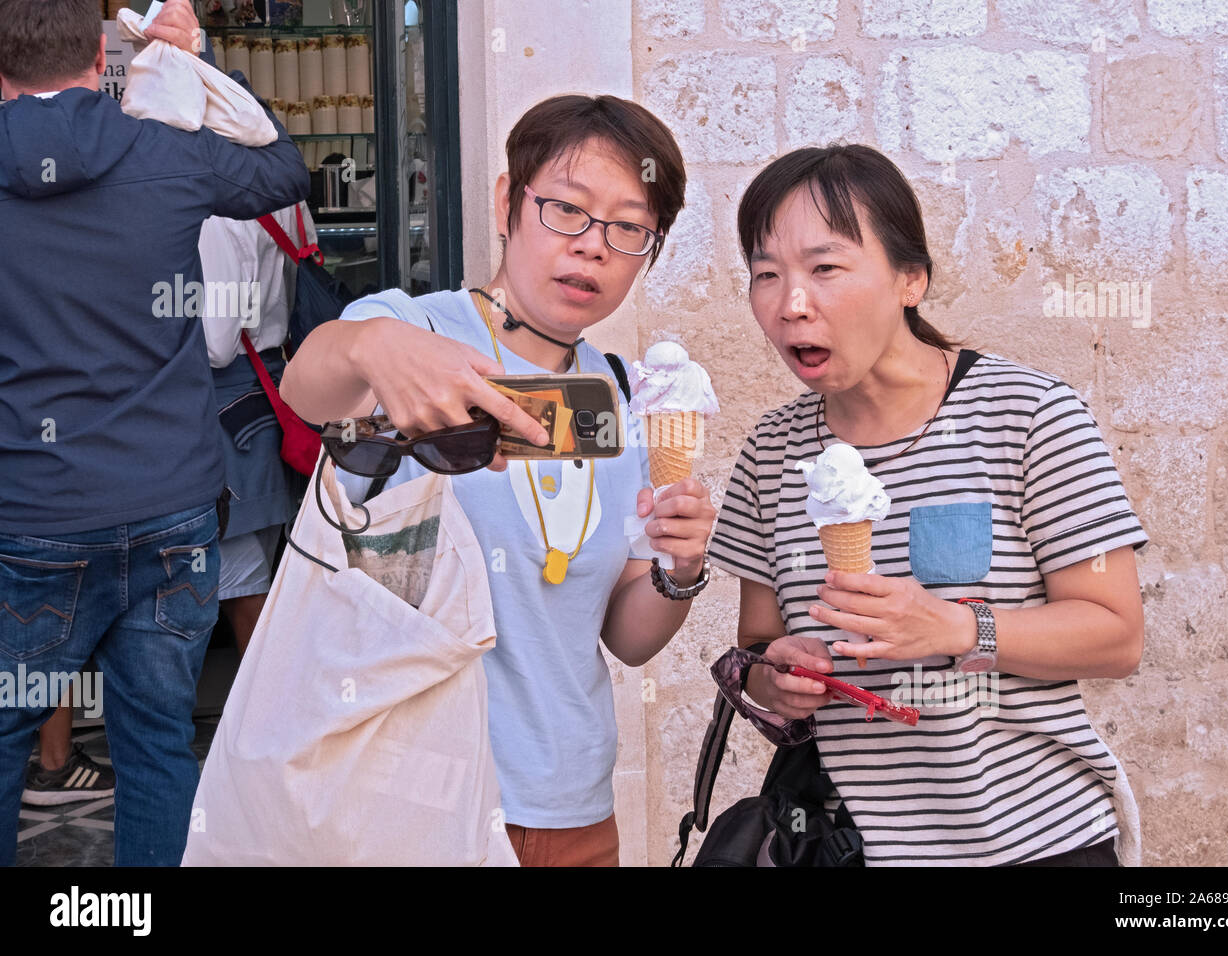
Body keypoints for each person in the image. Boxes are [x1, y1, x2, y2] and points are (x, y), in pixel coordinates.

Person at [281, 94, 715, 866]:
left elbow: (625, 636)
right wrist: (369, 345)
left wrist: (682, 569)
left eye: (628, 227)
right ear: (507, 203)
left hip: (574, 805)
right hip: (414, 801)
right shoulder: (419, 329)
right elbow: (307, 389)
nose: (592, 248)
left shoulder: (625, 395)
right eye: (567, 211)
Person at [707, 144, 1149, 866]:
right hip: (850, 850)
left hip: (1035, 844)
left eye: (825, 268)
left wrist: (949, 626)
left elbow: (1116, 635)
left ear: (909, 279)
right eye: (766, 274)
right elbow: (758, 645)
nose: (791, 303)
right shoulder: (771, 450)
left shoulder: (1032, 416)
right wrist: (778, 677)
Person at [0, 0, 309, 866]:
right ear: (102, 51)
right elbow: (284, 171)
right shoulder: (162, 152)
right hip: (170, 509)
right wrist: (201, 64)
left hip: (33, 516)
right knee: (156, 741)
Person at [201, 204, 316, 655]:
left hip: (228, 408)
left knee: (243, 589)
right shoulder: (286, 199)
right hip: (266, 394)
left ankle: (272, 717)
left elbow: (216, 341)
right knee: (253, 582)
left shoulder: (218, 216)